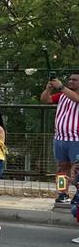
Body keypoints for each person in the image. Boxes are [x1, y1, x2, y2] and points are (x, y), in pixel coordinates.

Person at [40, 74, 79, 205]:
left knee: (77, 169)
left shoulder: (70, 94)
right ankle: (62, 193)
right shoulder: (63, 96)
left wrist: (61, 86)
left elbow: (77, 99)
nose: (71, 81)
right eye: (70, 79)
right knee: (62, 168)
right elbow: (46, 99)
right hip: (60, 138)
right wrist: (48, 89)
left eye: (74, 80)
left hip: (76, 139)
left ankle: (77, 195)